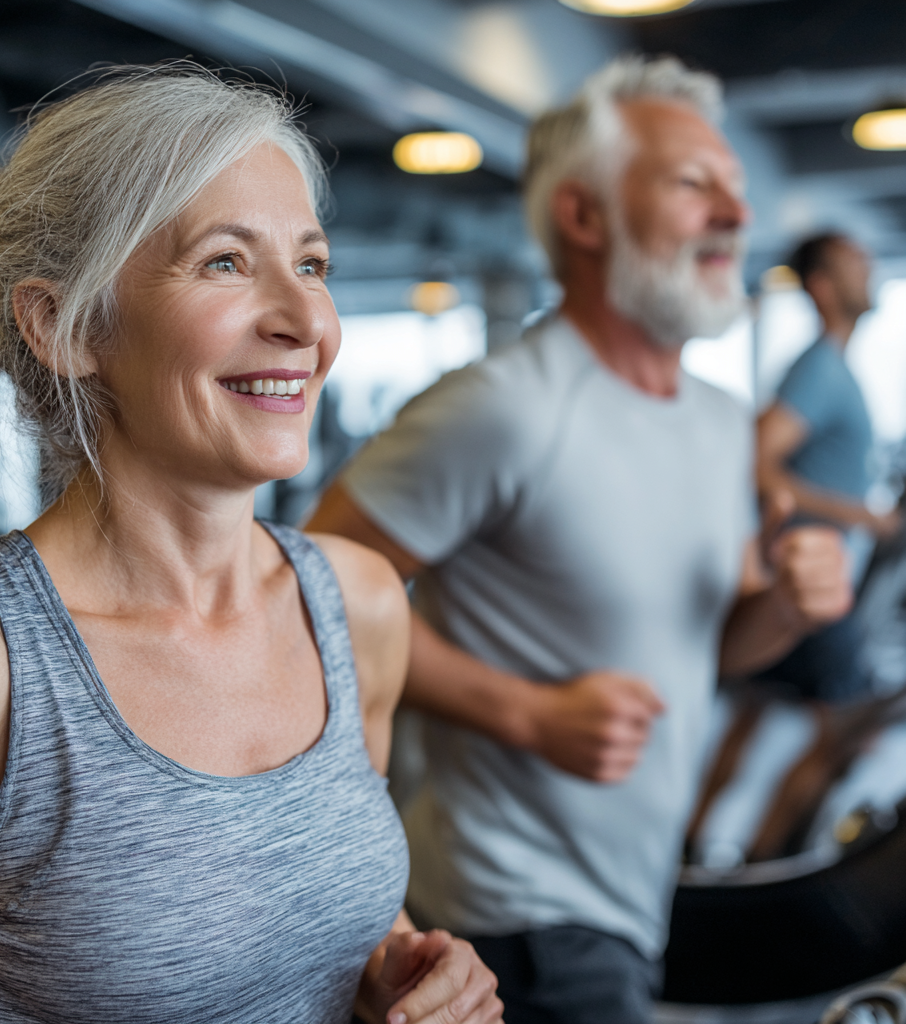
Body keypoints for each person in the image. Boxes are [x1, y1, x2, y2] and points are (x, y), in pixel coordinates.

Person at [0, 66, 502, 1024]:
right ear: (67, 324)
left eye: (311, 264)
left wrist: (396, 973)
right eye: (224, 261)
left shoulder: (355, 603)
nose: (306, 324)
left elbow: (307, 911)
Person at [307, 56, 851, 1024]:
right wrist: (523, 712)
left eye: (734, 186)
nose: (735, 211)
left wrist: (780, 606)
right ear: (584, 217)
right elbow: (311, 593)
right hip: (512, 910)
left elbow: (707, 651)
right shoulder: (507, 407)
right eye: (693, 184)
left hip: (632, 889)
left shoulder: (722, 421)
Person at [755, 233, 897, 699]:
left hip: (820, 569)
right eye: (854, 261)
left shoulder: (835, 365)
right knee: (840, 728)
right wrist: (859, 515)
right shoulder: (820, 368)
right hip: (808, 568)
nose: (869, 266)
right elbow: (757, 465)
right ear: (822, 286)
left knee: (755, 709)